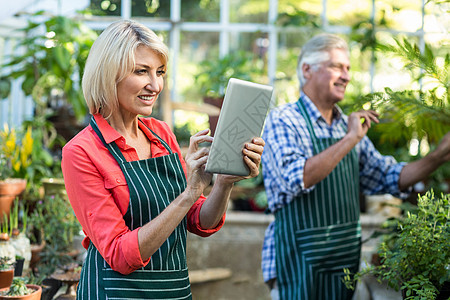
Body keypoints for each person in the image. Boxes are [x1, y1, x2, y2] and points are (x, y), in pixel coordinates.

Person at [61, 20, 265, 299]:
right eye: (141, 71)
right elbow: (120, 255)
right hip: (116, 292)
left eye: (160, 72)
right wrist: (190, 192)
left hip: (173, 291)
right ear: (109, 75)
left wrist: (223, 183)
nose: (155, 85)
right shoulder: (82, 152)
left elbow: (199, 222)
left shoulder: (161, 134)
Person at [260, 33, 450, 300]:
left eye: (348, 68)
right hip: (297, 261)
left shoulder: (345, 126)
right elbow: (299, 177)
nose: (346, 76)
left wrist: (438, 156)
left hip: (344, 263)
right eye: (336, 66)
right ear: (307, 70)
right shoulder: (284, 120)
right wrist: (350, 139)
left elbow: (390, 177)